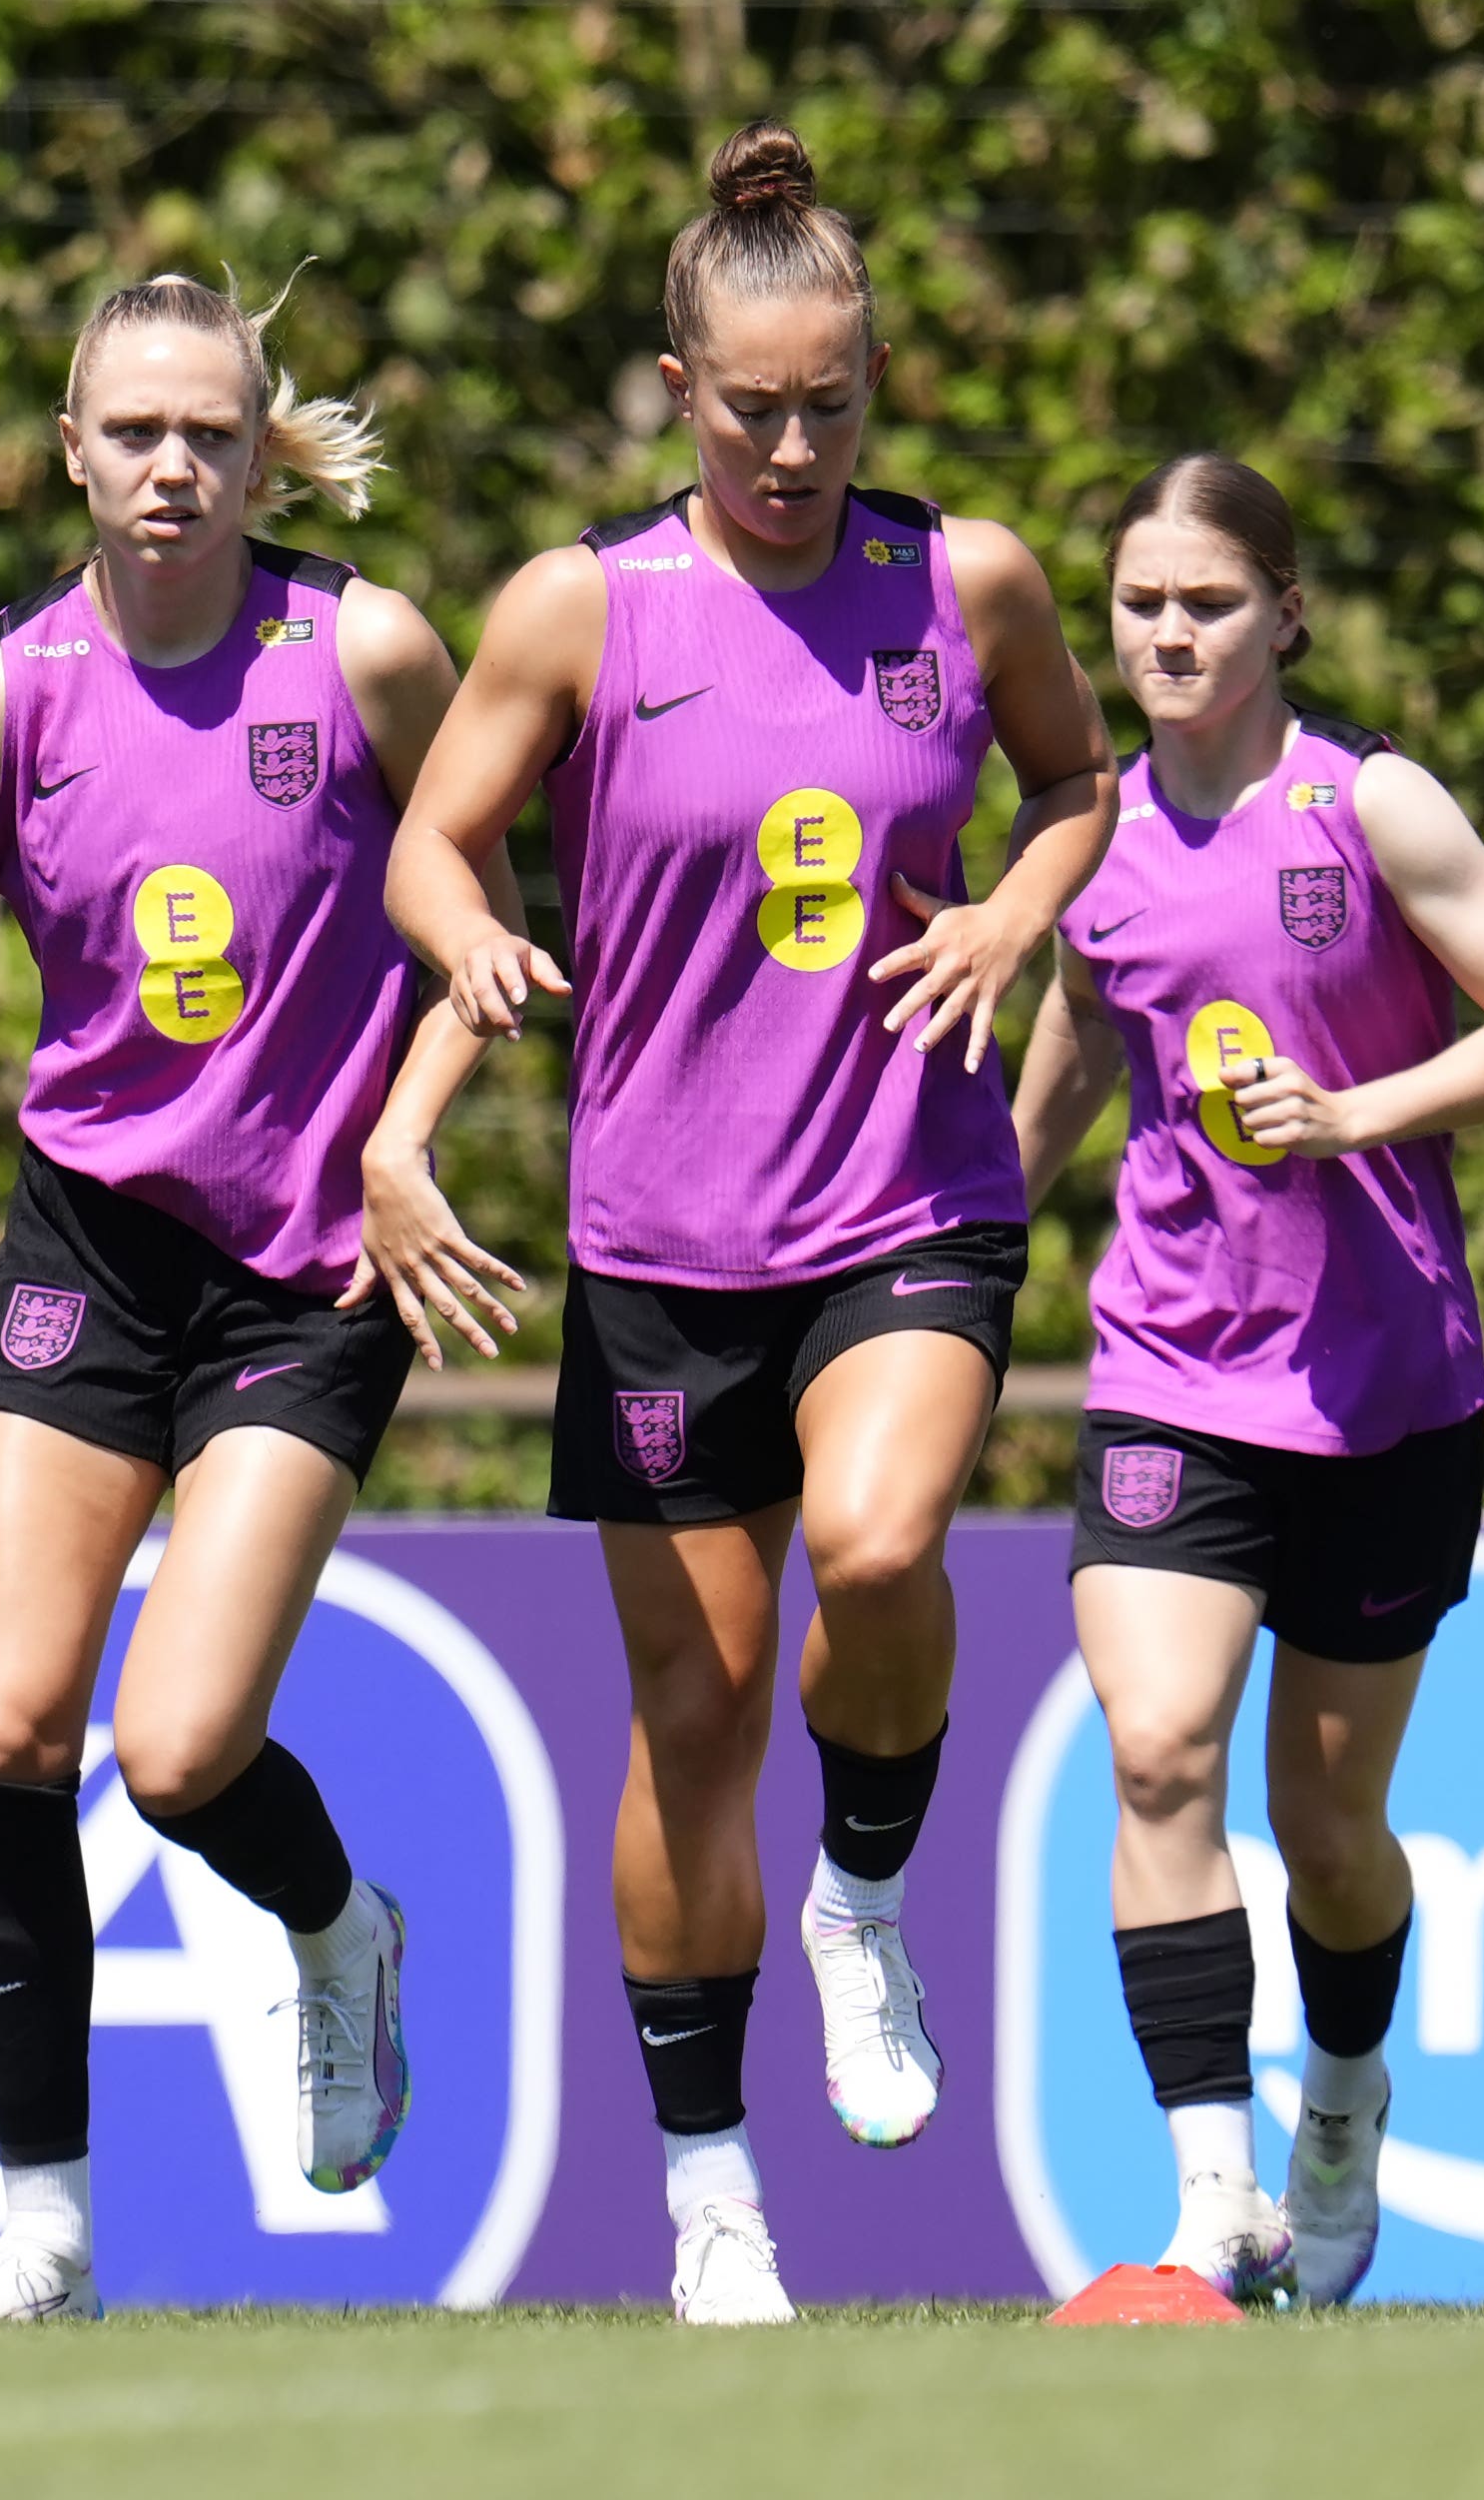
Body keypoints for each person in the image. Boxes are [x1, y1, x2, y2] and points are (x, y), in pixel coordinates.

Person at [389, 120, 1118, 2323]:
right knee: (693, 1726)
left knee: (885, 1543)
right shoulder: (581, 606)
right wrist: (473, 950)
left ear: (877, 379)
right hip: (662, 1246)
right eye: (753, 405)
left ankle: (868, 1893)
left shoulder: (965, 582)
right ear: (679, 385)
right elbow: (437, 843)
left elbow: (1083, 782)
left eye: (835, 404)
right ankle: (710, 2191)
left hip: (907, 1194)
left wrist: (1009, 901)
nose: (795, 446)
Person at [0, 273, 522, 2324]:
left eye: (211, 428)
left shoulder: (362, 649)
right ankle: (43, 2229)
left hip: (309, 1262)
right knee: (10, 1727)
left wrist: (409, 1137)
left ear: (259, 440)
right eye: (136, 432)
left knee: (185, 1750)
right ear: (72, 447)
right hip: (89, 1247)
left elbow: (487, 917)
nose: (175, 465)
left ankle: (340, 1927)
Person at [1013, 453, 1484, 2306]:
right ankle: (1213, 2202)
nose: (1168, 635)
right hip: (1171, 1365)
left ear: (1285, 614)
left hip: (1384, 1388)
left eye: (1207, 603)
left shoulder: (1375, 806)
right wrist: (946, 1249)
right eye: (1139, 604)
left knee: (1330, 1828)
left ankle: (1342, 2108)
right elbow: (1077, 1060)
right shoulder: (1087, 836)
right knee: (1161, 1748)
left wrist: (1359, 1114)